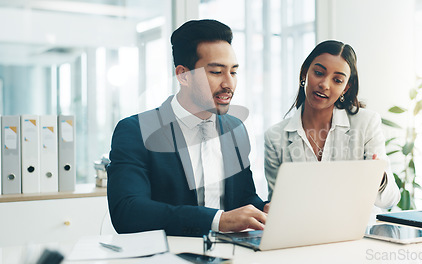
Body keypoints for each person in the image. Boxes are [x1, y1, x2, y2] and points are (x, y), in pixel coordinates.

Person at [107, 19, 268, 237]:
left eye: (233, 72)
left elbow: (244, 198)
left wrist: (264, 209)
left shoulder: (235, 128)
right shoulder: (136, 131)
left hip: (231, 254)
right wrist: (217, 220)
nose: (229, 83)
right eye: (216, 72)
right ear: (183, 75)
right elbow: (128, 213)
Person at [264, 40, 400, 210]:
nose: (324, 84)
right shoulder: (275, 136)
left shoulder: (366, 123)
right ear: (305, 73)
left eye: (337, 80)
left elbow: (390, 200)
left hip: (358, 232)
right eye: (319, 73)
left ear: (345, 88)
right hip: (304, 233)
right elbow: (278, 205)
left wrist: (378, 178)